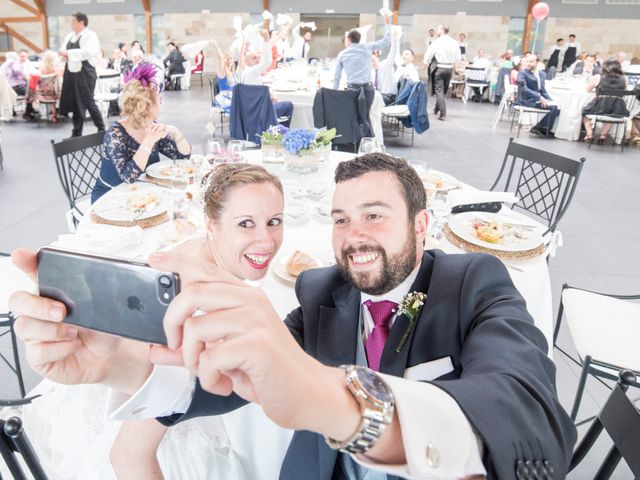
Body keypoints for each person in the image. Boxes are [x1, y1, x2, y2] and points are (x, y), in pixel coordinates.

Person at [10, 153, 577, 480]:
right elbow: (233, 380)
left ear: (423, 225)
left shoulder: (476, 280)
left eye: (374, 215)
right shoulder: (320, 290)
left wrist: (335, 400)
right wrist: (124, 364)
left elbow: (534, 425)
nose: (353, 237)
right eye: (339, 218)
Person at [110, 163, 286, 480]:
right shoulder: (185, 310)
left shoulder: (208, 255)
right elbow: (127, 456)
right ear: (211, 225)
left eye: (274, 222)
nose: (267, 241)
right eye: (246, 224)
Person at [91, 64, 190, 203]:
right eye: (159, 100)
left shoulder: (151, 126)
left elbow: (182, 157)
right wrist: (149, 141)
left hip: (141, 194)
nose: (161, 103)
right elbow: (128, 177)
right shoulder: (115, 134)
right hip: (111, 197)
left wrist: (176, 133)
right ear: (147, 108)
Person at [333, 11, 392, 126]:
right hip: (368, 89)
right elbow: (386, 41)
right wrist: (387, 22)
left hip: (352, 89)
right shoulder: (367, 47)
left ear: (349, 39)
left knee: (352, 117)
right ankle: (365, 141)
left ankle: (353, 142)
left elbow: (337, 77)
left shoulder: (343, 54)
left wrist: (334, 93)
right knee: (365, 117)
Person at [58, 12, 106, 137]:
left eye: (73, 21)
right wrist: (66, 53)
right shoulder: (70, 36)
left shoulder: (90, 35)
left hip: (85, 73)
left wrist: (68, 54)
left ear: (81, 22)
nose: (71, 23)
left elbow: (87, 52)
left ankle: (101, 128)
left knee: (88, 101)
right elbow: (62, 50)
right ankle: (77, 131)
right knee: (75, 102)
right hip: (71, 72)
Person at [239, 29, 294, 126]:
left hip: (250, 111)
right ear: (246, 62)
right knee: (289, 105)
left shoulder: (244, 72)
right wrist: (266, 40)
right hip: (261, 112)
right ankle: (280, 132)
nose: (257, 60)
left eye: (258, 57)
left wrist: (269, 96)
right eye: (254, 58)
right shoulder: (251, 72)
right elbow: (267, 62)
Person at [581, 59, 628, 144]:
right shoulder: (623, 79)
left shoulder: (598, 77)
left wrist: (597, 92)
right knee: (611, 116)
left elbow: (587, 89)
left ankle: (589, 133)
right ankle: (603, 135)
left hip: (599, 106)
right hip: (616, 107)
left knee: (585, 114)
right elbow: (625, 91)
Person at [516, 53, 560, 137]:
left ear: (537, 62)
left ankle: (540, 127)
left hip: (537, 99)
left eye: (531, 62)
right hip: (526, 100)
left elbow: (542, 90)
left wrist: (550, 100)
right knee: (553, 108)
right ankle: (543, 128)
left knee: (557, 107)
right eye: (528, 61)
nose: (528, 63)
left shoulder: (542, 74)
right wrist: (539, 97)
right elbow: (523, 89)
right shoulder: (522, 73)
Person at [424, 24, 461, 121]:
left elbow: (429, 53)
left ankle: (443, 113)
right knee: (442, 91)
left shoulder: (437, 42)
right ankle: (436, 109)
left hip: (439, 68)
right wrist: (456, 67)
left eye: (438, 29)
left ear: (442, 30)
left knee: (439, 92)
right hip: (449, 70)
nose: (437, 30)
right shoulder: (455, 43)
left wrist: (426, 62)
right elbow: (458, 58)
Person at [1, 49, 38, 120]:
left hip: (8, 89)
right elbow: (17, 70)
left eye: (25, 57)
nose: (23, 58)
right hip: (16, 87)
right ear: (17, 56)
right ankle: (28, 112)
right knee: (32, 91)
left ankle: (15, 110)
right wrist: (24, 76)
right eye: (22, 56)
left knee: (29, 89)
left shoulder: (5, 64)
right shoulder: (14, 62)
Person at [373, 26, 400, 105]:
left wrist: (394, 39)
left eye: (373, 60)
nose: (371, 62)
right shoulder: (372, 71)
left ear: (378, 55)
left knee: (371, 102)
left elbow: (393, 52)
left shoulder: (386, 65)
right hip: (379, 96)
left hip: (389, 97)